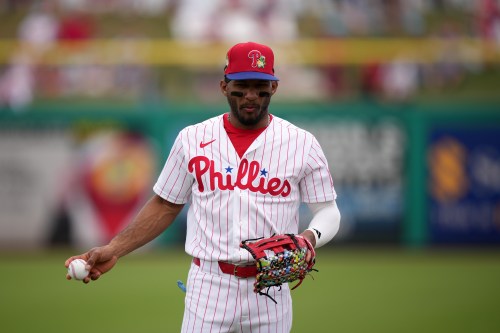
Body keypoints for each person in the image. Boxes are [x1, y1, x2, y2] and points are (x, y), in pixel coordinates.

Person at [65, 41, 341, 332]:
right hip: (210, 284)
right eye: (241, 84)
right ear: (224, 85)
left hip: (270, 287)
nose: (250, 94)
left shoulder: (302, 143)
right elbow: (165, 205)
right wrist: (115, 249)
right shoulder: (192, 139)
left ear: (274, 88)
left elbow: (328, 212)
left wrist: (309, 237)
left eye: (260, 85)